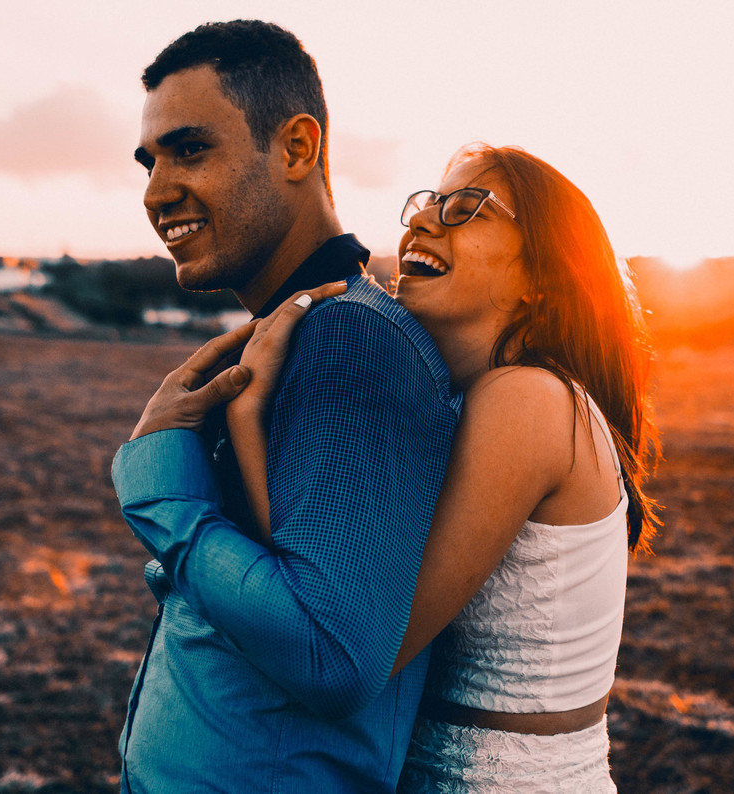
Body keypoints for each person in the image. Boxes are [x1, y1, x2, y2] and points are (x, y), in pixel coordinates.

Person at [190, 143, 659, 791]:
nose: (423, 221)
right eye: (428, 202)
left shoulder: (526, 399)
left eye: (468, 209)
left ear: (543, 277)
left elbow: (347, 644)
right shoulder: (481, 400)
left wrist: (245, 426)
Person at [110, 20, 461, 793]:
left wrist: (159, 484)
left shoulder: (349, 344)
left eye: (191, 149)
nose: (156, 191)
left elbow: (330, 655)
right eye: (150, 161)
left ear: (298, 148)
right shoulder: (288, 340)